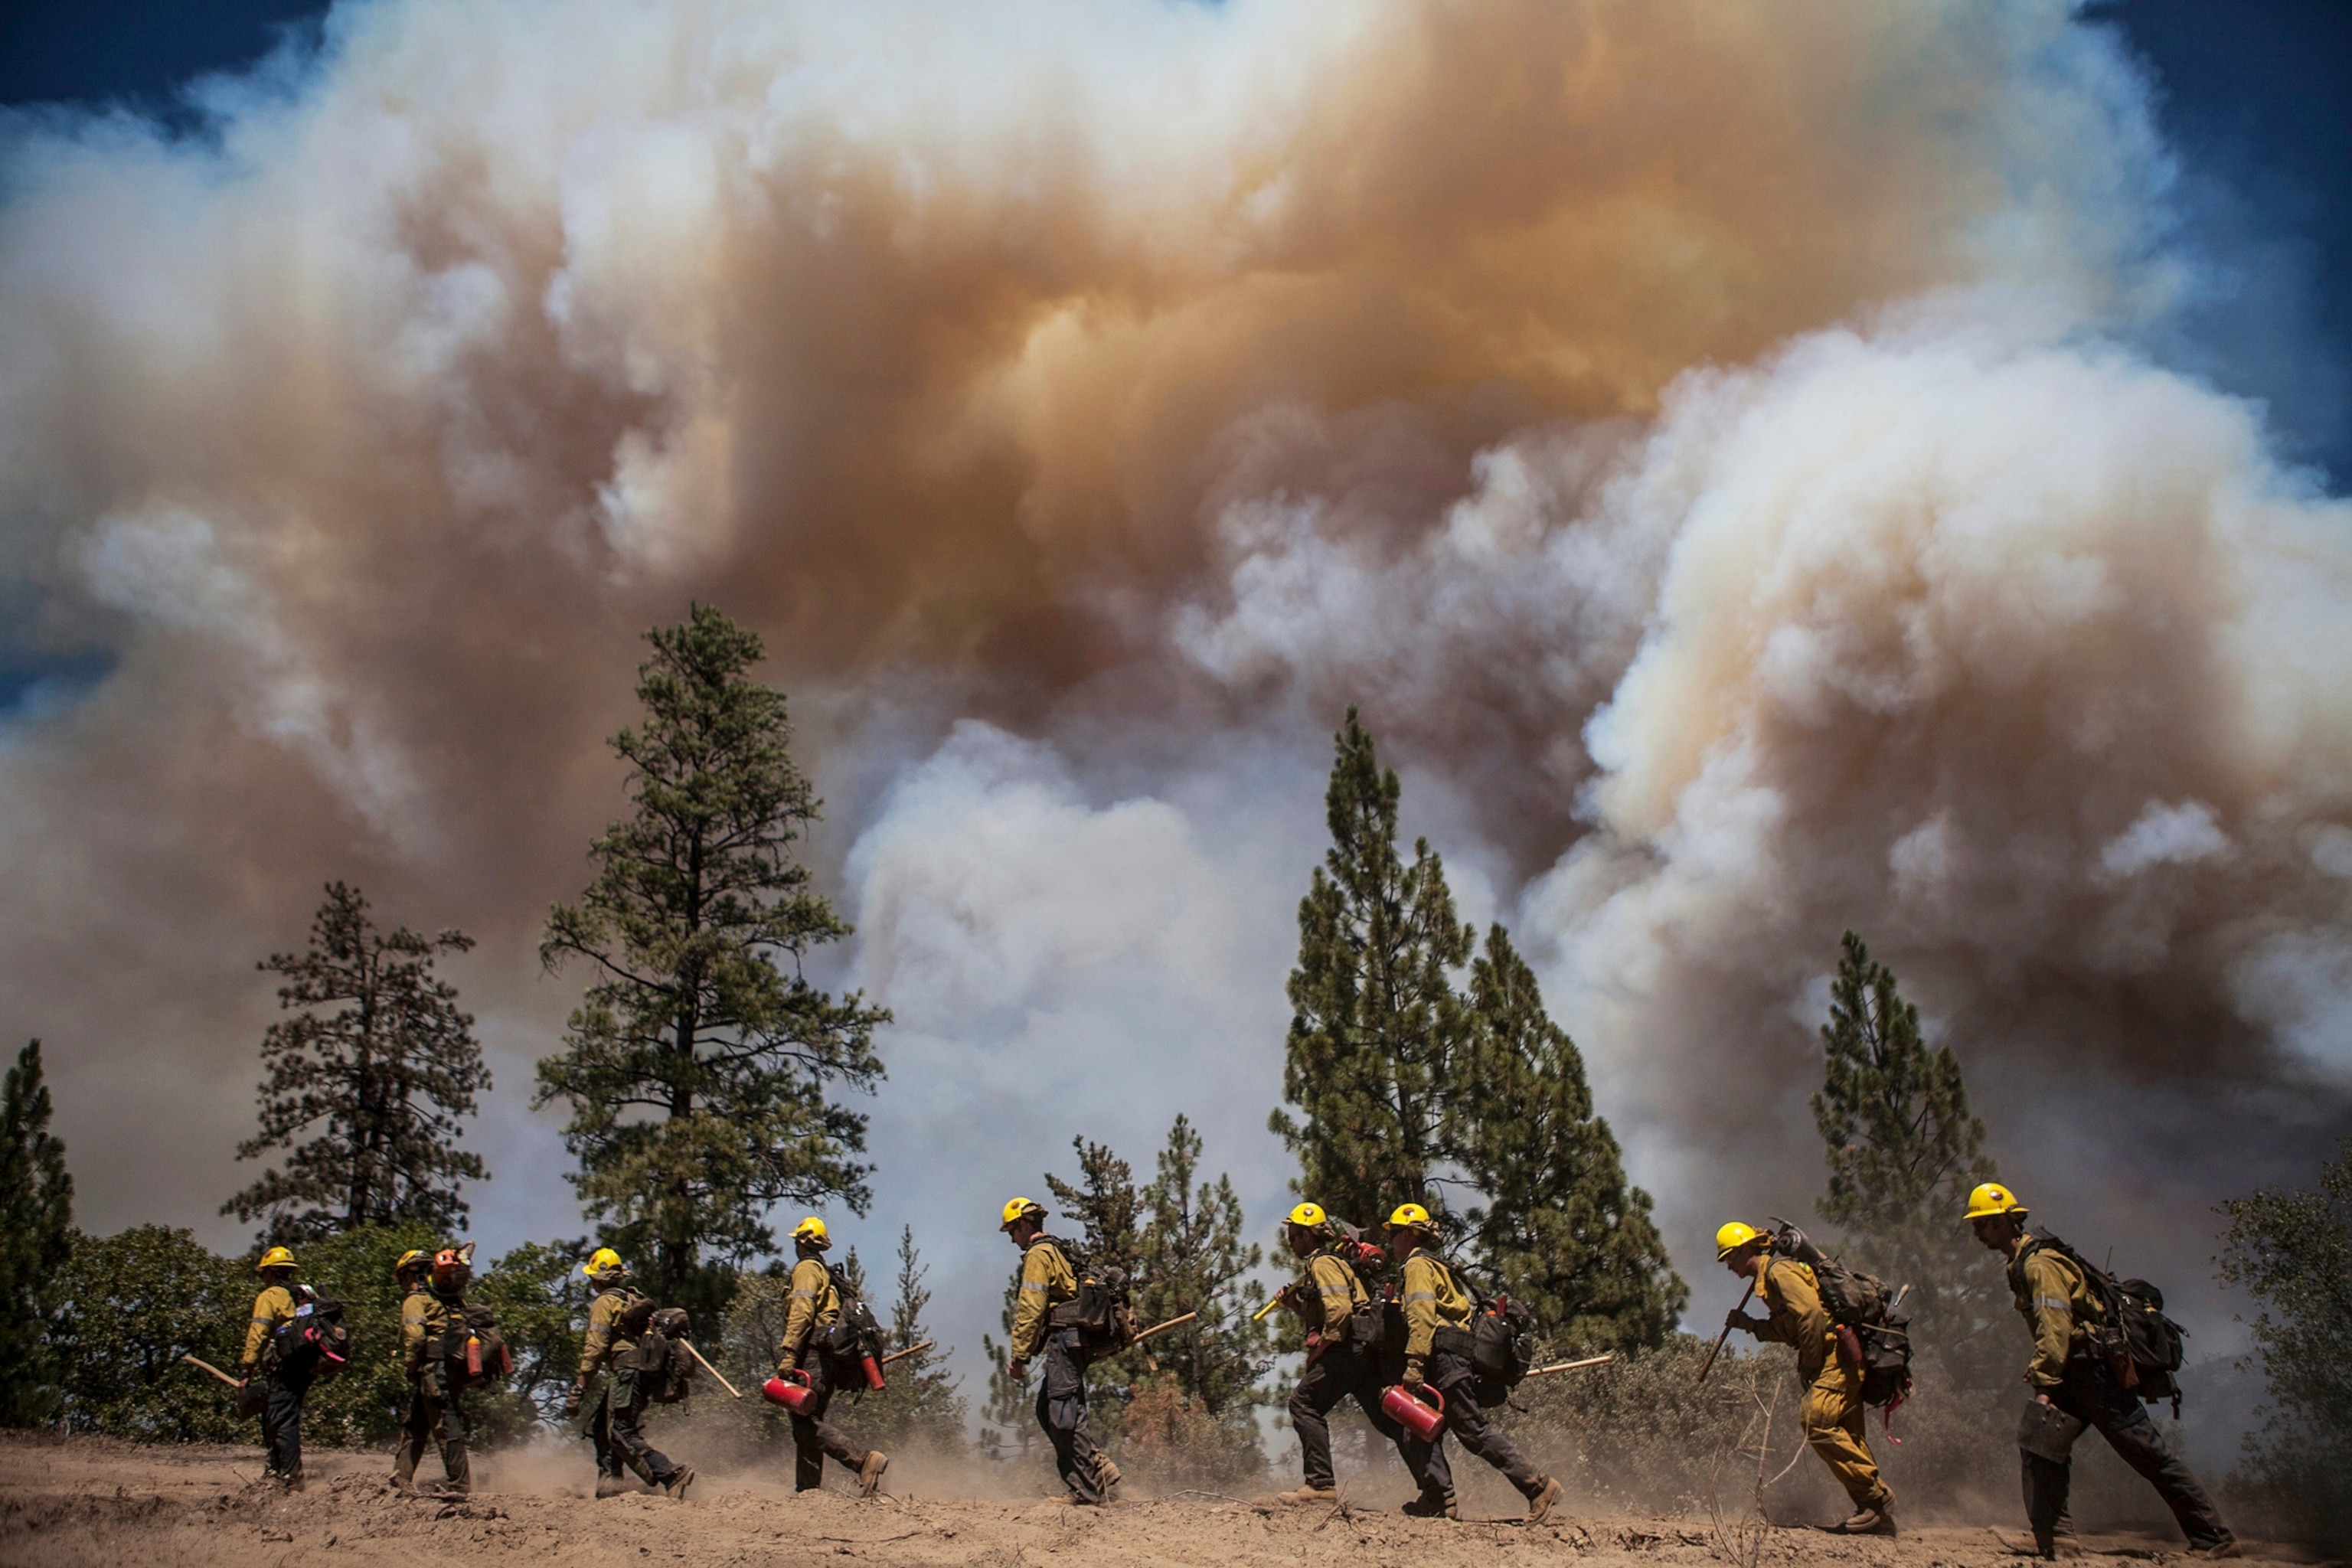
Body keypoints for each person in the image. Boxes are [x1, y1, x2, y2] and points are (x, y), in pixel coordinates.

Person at [1967, 1184, 2237, 1560]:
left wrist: (2044, 1382)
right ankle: (2054, 1536)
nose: (1977, 1233)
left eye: (1984, 1224)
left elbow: (2055, 1327)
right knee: (2039, 1444)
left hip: (2093, 1372)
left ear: (2006, 1222)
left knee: (2147, 1453)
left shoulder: (2039, 1264)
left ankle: (2214, 1538)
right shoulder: (2023, 1262)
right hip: (2075, 1372)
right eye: (1977, 1225)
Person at [1386, 1204, 1561, 1524]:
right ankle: (1439, 1499)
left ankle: (1539, 1486)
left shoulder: (1417, 1266)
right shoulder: (1437, 1265)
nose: (1391, 1241)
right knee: (1415, 1430)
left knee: (1472, 1431)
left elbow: (1422, 1316)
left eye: (1394, 1233)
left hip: (1444, 1359)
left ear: (1410, 1234)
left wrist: (1414, 1361)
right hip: (1447, 1357)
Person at [1717, 1220, 1894, 1535]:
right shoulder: (1768, 1282)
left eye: (1730, 1257)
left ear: (1746, 1249)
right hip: (1837, 1356)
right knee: (1848, 1434)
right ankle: (1875, 1514)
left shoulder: (1778, 1273)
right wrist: (1751, 1325)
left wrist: (1812, 1365)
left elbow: (1811, 1317)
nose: (1728, 1265)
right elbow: (1790, 1327)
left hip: (1834, 1356)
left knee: (1817, 1422)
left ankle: (1875, 1495)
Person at [1272, 1202, 1411, 1504]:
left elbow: (1340, 1312)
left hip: (1347, 1348)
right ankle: (1438, 1486)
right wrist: (1294, 1306)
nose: (1290, 1242)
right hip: (1363, 1348)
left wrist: (1320, 1349)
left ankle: (1320, 1485)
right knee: (1388, 1421)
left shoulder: (1321, 1263)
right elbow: (1328, 1312)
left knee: (1304, 1404)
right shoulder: (1332, 1264)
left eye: (1293, 1235)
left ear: (1308, 1236)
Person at [999, 1197, 1119, 1505]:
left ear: (1024, 1226)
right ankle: (1099, 1470)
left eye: (1013, 1231)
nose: (1013, 1240)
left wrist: (1019, 1356)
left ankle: (1086, 1490)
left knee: (1064, 1416)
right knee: (1048, 1409)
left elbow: (1031, 1307)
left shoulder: (1039, 1254)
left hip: (1065, 1340)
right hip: (1073, 1340)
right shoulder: (1056, 1249)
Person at [773, 1218, 890, 1498]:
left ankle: (862, 1460)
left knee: (803, 1421)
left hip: (812, 1353)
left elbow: (802, 1310)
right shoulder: (827, 1274)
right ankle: (808, 1491)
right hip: (827, 1357)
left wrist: (789, 1354)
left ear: (801, 1243)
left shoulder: (806, 1270)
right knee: (809, 1419)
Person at [565, 1248, 694, 1498]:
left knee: (621, 1431)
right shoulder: (633, 1299)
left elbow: (596, 1349)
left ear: (598, 1279)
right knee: (603, 1428)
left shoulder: (604, 1303)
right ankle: (610, 1487)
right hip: (643, 1372)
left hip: (627, 1372)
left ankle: (671, 1474)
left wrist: (579, 1388)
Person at [398, 1245, 479, 1496]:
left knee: (445, 1424)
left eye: (402, 1277)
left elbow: (416, 1337)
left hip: (433, 1371)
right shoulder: (453, 1301)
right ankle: (400, 1478)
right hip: (451, 1369)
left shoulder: (416, 1300)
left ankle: (460, 1485)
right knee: (416, 1423)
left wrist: (411, 1365)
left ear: (410, 1275)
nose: (401, 1283)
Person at [238, 1246, 309, 1491]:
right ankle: (276, 1470)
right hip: (304, 1368)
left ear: (270, 1273)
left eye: (264, 1274)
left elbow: (257, 1334)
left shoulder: (269, 1297)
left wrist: (246, 1370)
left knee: (282, 1420)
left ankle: (290, 1479)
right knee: (277, 1415)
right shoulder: (302, 1295)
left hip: (284, 1368)